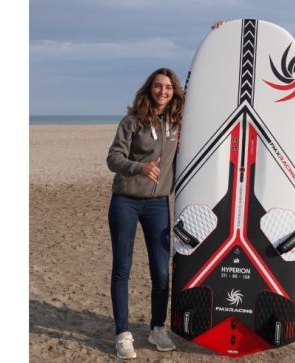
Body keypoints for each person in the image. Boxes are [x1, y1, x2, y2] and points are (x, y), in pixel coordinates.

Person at [106, 68, 184, 359]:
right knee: (122, 268)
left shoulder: (177, 122)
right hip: (125, 201)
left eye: (168, 87)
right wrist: (139, 167)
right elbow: (113, 158)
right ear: (149, 88)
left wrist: (219, 36)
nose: (162, 91)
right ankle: (123, 334)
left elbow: (204, 89)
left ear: (174, 91)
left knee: (161, 271)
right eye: (157, 86)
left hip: (158, 204)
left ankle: (157, 328)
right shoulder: (132, 121)